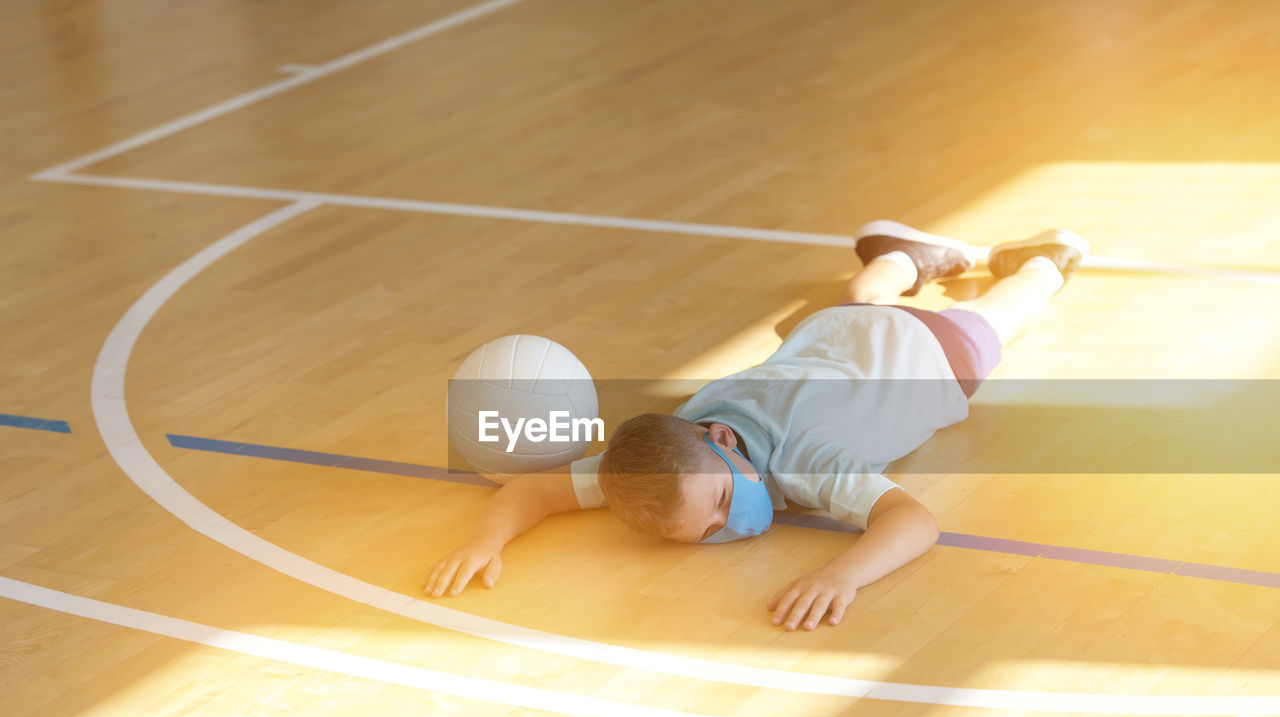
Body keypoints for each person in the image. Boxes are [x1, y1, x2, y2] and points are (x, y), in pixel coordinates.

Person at [423, 221, 1089, 631]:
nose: (731, 521)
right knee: (861, 301)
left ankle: (1046, 260)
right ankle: (907, 257)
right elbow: (534, 491)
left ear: (718, 439)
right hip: (833, 336)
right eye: (710, 529)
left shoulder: (806, 457)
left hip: (927, 357)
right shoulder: (662, 460)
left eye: (720, 500)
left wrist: (843, 576)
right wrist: (487, 540)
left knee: (1000, 322)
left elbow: (915, 521)